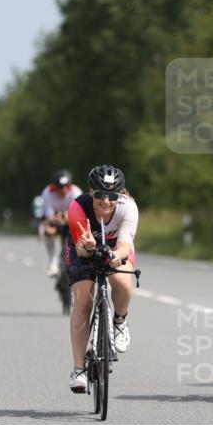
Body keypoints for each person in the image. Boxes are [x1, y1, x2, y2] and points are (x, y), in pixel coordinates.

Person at [65, 165, 138, 393]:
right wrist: (88, 247)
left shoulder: (128, 208)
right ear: (90, 192)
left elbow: (125, 244)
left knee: (124, 281)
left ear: (121, 194)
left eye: (112, 196)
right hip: (83, 249)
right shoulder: (77, 207)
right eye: (99, 195)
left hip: (116, 248)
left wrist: (114, 257)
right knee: (83, 301)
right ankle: (79, 370)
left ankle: (119, 320)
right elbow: (81, 249)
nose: (105, 201)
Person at [40, 169, 83, 276]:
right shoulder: (47, 193)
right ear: (54, 187)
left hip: (72, 220)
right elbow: (49, 217)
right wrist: (58, 219)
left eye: (66, 187)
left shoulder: (76, 192)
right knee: (47, 231)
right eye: (60, 187)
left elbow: (79, 214)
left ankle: (79, 261)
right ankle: (52, 261)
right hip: (55, 220)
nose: (63, 190)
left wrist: (65, 217)